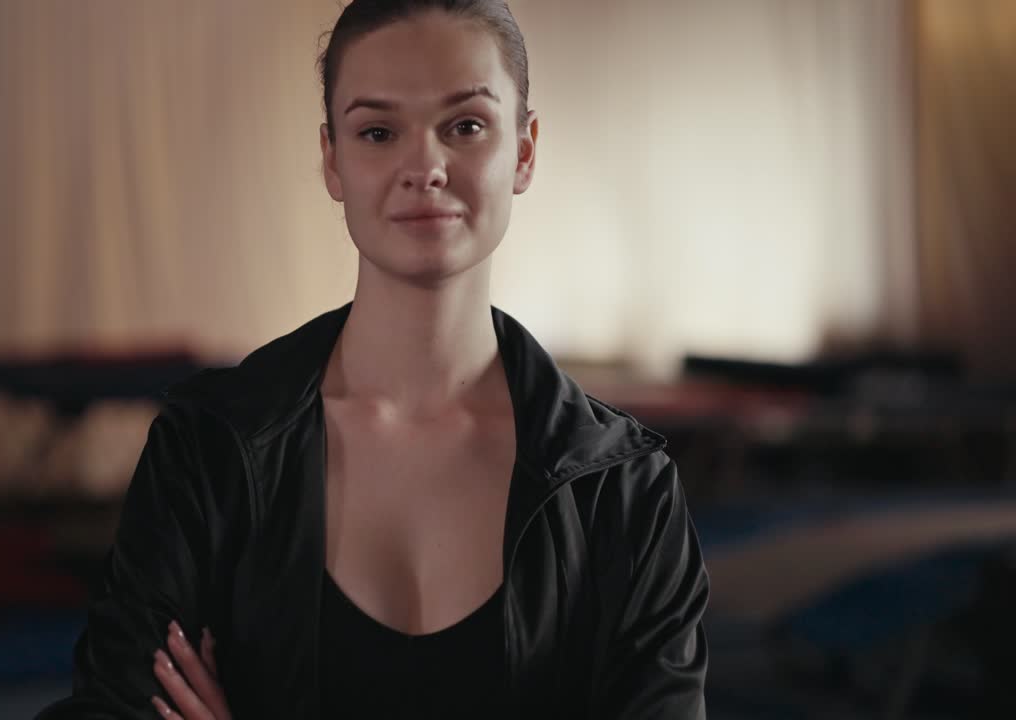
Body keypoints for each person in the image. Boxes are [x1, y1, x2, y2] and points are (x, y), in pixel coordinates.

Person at [36, 0, 708, 717]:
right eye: (379, 132)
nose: (424, 167)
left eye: (466, 126)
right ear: (333, 159)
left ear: (524, 149)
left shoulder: (624, 491)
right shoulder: (209, 450)